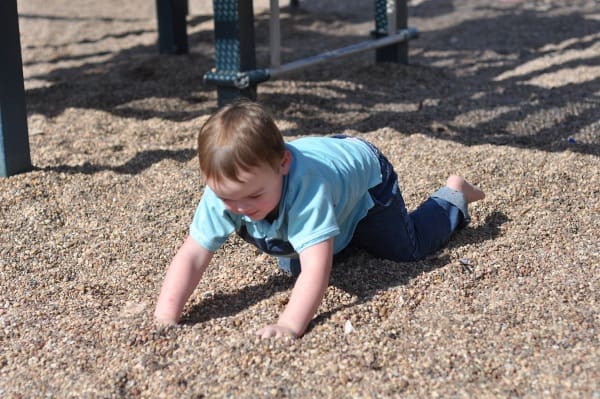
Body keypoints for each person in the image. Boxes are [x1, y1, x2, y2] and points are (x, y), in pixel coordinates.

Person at [154, 101, 485, 338]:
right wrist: (166, 315)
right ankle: (342, 235)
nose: (238, 207)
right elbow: (193, 254)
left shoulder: (306, 190)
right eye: (227, 198)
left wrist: (289, 324)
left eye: (254, 196)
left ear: (283, 163)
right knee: (295, 262)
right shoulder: (227, 190)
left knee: (406, 249)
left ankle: (452, 196)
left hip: (367, 182)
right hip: (328, 177)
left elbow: (317, 270)